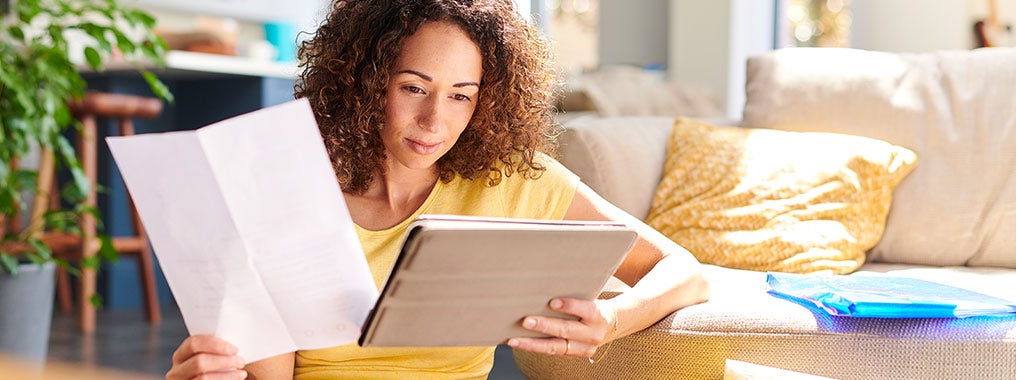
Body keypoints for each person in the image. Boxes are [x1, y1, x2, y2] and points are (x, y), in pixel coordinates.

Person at [167, 1, 710, 379]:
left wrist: (613, 320)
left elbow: (683, 271)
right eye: (413, 88)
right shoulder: (289, 189)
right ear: (365, 79)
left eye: (460, 96)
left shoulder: (516, 180)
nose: (433, 121)